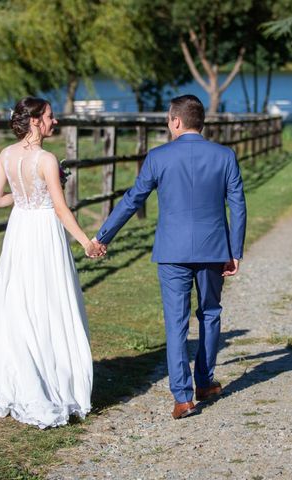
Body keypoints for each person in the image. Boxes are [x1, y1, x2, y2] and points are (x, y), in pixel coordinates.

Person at [94, 95, 246, 419]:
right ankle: (204, 382)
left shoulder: (158, 157)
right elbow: (238, 205)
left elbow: (133, 199)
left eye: (168, 119)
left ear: (176, 121)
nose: (168, 124)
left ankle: (182, 397)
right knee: (210, 314)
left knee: (175, 323)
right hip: (213, 248)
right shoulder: (225, 156)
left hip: (172, 252)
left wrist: (102, 236)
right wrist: (235, 251)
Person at [0, 96, 105, 428]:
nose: (56, 122)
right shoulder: (47, 160)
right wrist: (86, 241)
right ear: (36, 121)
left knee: (19, 300)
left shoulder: (6, 155)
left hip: (20, 229)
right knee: (49, 301)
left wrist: (24, 195)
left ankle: (21, 369)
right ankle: (48, 381)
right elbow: (60, 208)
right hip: (42, 233)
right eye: (51, 117)